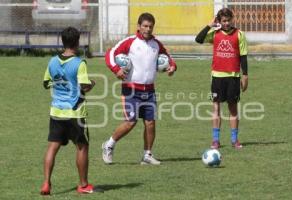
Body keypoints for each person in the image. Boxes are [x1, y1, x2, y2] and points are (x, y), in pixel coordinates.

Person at [102, 12, 177, 165]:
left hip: (149, 90)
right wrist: (116, 69)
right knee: (131, 121)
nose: (148, 29)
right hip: (131, 89)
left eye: (150, 26)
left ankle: (147, 155)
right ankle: (108, 145)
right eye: (145, 26)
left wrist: (172, 67)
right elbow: (110, 53)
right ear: (139, 26)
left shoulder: (156, 44)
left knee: (150, 122)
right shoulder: (130, 41)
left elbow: (168, 57)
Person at [40, 27, 95, 195]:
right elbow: (84, 86)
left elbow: (46, 83)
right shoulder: (79, 63)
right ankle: (83, 185)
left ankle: (46, 183)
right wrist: (92, 83)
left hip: (56, 111)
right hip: (75, 113)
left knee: (52, 147)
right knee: (82, 147)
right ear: (77, 42)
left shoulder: (52, 61)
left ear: (62, 41)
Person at [195, 8, 249, 149]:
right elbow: (198, 39)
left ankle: (234, 139)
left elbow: (243, 56)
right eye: (223, 21)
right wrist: (209, 25)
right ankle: (215, 140)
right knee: (216, 108)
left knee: (233, 109)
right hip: (217, 77)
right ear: (219, 21)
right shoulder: (215, 33)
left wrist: (245, 75)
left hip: (233, 77)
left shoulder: (239, 34)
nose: (226, 23)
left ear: (233, 19)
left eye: (228, 20)